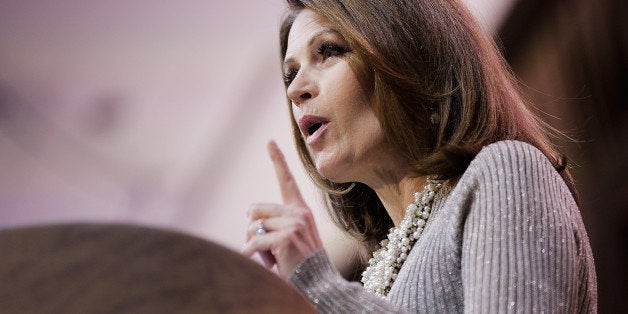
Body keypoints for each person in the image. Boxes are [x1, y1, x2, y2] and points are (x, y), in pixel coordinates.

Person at [242, 0, 597, 312]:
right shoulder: (375, 281)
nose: (295, 89)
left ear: (409, 56)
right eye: (291, 73)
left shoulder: (508, 172)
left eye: (329, 51)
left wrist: (321, 288)